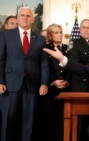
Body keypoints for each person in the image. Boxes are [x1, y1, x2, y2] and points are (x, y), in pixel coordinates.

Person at [0, 6, 49, 141]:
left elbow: (44, 63)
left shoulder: (40, 39)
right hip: (10, 85)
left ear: (33, 19)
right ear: (17, 18)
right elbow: (1, 59)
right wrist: (0, 81)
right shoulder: (5, 35)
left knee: (29, 123)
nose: (25, 18)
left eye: (28, 16)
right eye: (22, 15)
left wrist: (44, 83)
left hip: (32, 85)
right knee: (8, 122)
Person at [36, 23, 71, 141]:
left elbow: (72, 67)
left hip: (66, 90)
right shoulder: (45, 49)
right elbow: (43, 68)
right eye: (56, 32)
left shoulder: (68, 49)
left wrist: (67, 81)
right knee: (48, 119)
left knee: (63, 119)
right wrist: (52, 82)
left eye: (60, 32)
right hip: (50, 90)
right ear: (50, 35)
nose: (59, 35)